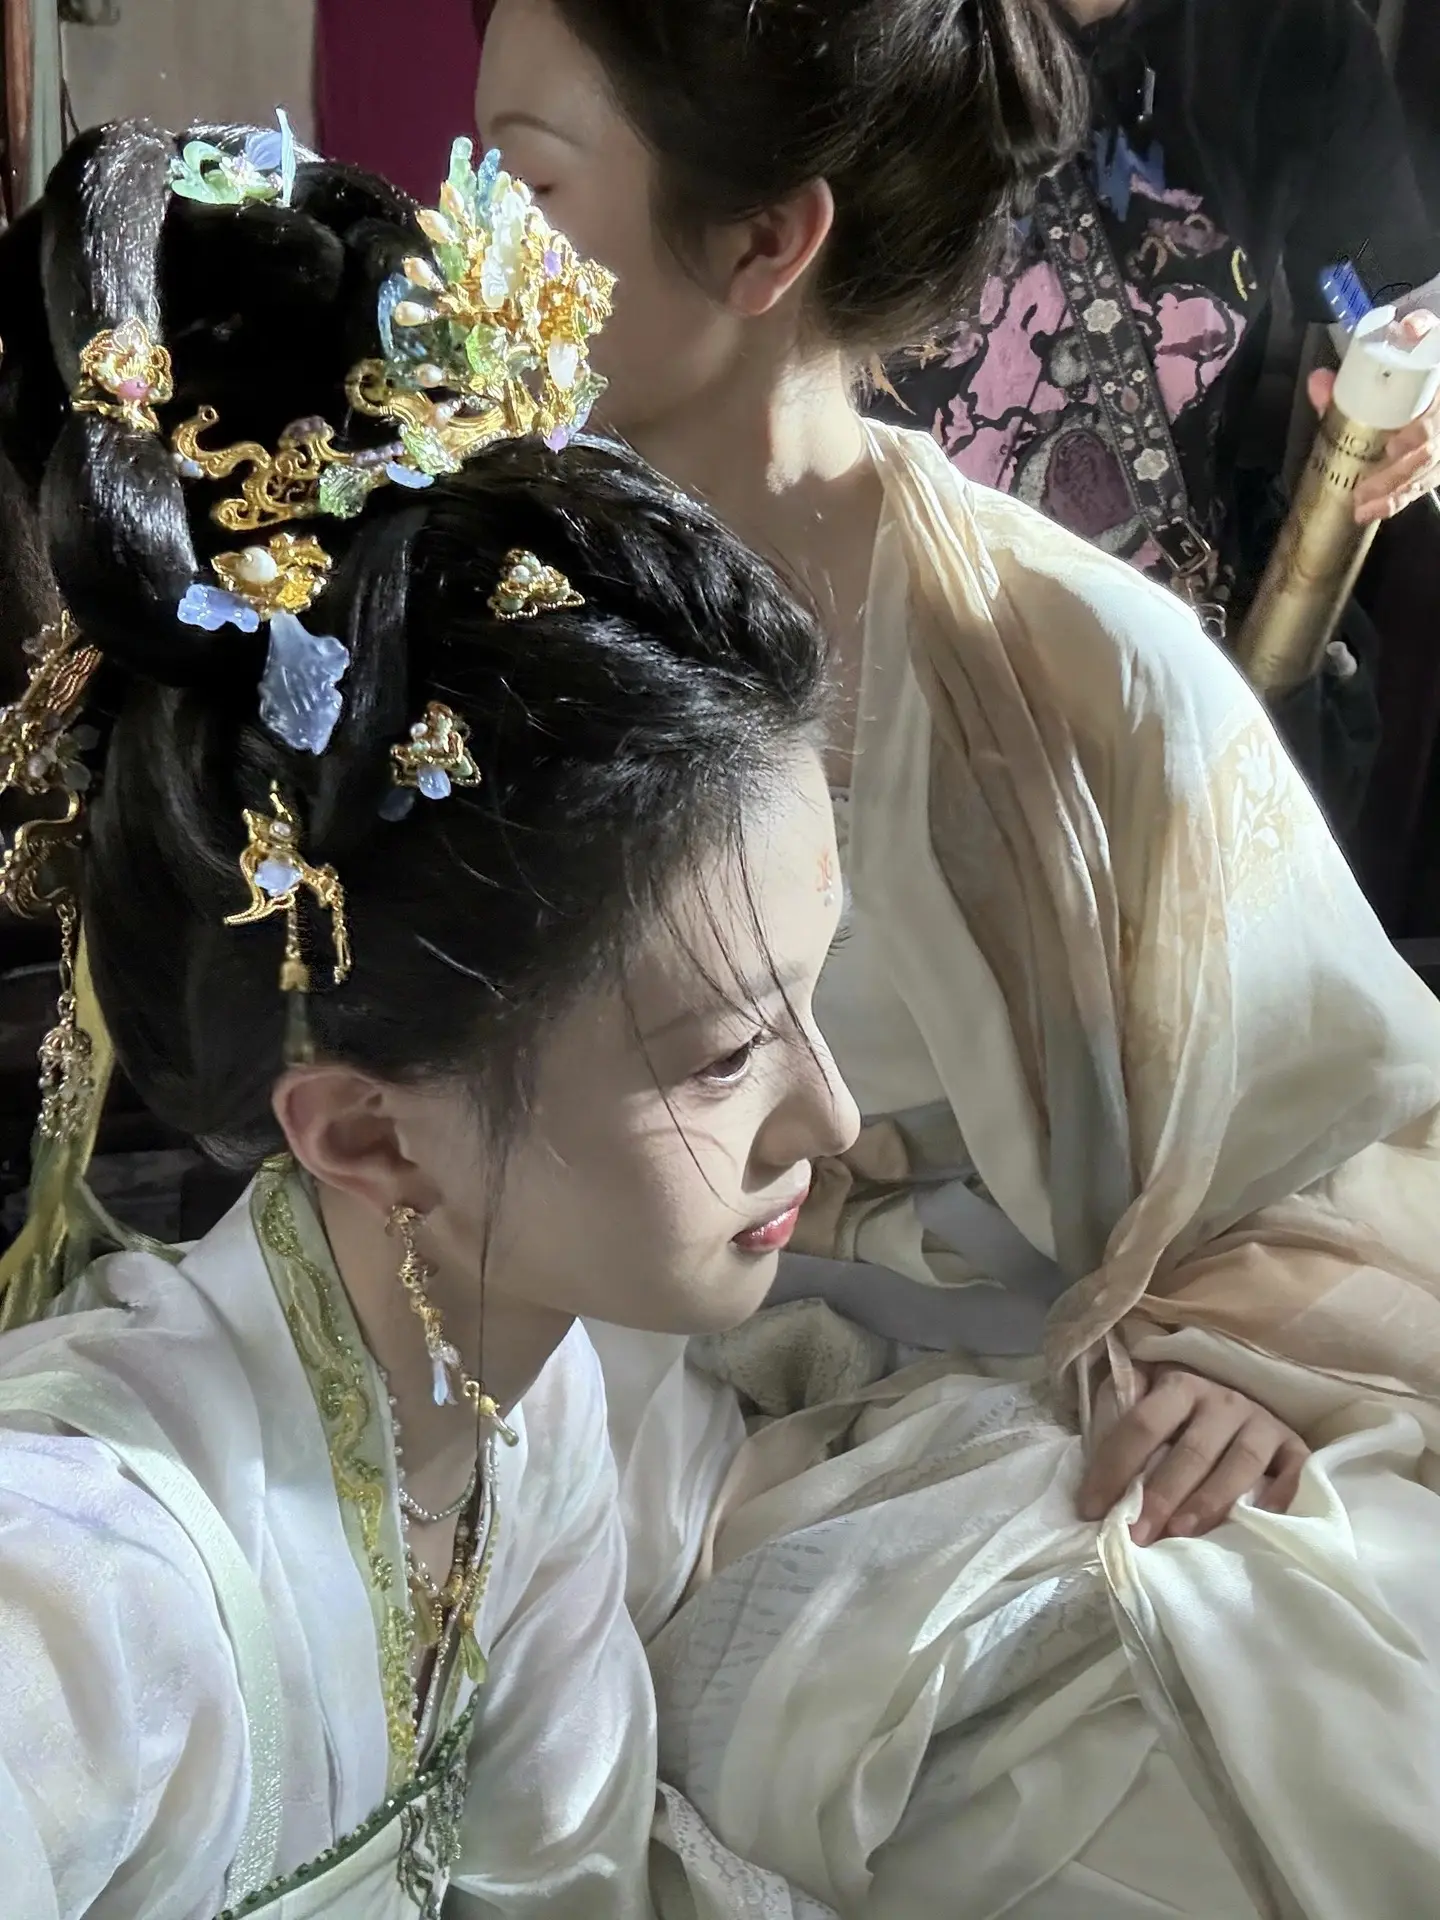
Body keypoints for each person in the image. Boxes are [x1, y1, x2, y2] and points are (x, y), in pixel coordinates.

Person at [476, 0, 1440, 1909]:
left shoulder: (1071, 663)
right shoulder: (478, 610)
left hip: (1002, 1414)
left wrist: (1241, 1359)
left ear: (767, 242)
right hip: (583, 1371)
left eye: (528, 180)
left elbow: (1349, 1132)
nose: (467, 241)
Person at [0, 117, 862, 1914]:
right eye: (724, 1055)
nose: (834, 1120)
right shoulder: (81, 1594)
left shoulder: (526, 1426)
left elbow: (560, 1880)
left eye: (810, 999)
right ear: (371, 1132)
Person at [868, 0, 1440, 833]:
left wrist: (1418, 379)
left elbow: (1380, 295)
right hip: (871, 669)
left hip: (1139, 705)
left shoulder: (1296, 42)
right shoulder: (858, 23)